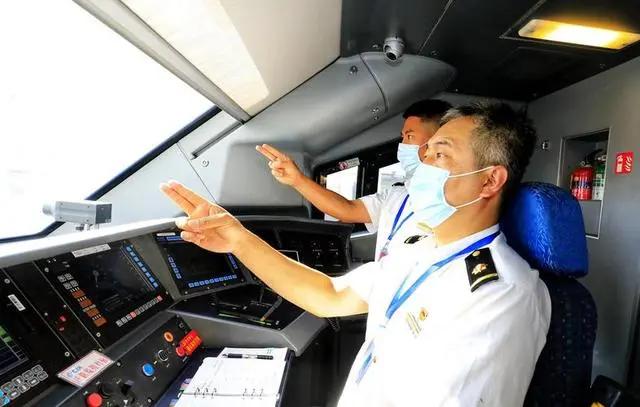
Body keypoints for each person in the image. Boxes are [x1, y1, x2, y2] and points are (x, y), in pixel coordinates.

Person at [160, 102, 551, 406]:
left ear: (490, 180)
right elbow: (330, 295)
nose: (424, 166)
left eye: (440, 156)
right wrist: (238, 239)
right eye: (426, 152)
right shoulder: (420, 246)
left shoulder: (503, 295)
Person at [256, 99, 452, 260]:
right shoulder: (398, 194)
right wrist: (297, 180)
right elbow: (347, 210)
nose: (402, 145)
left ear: (438, 141)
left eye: (409, 137)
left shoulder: (458, 198)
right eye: (402, 137)